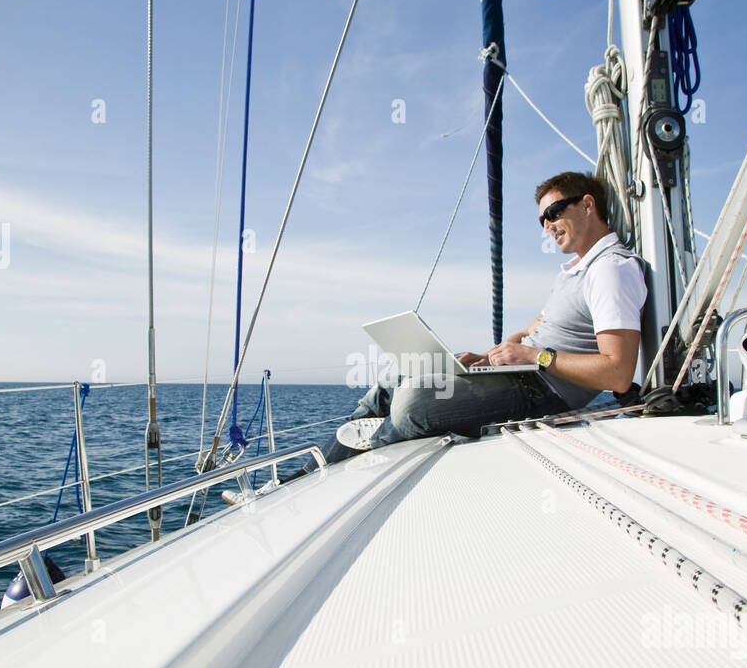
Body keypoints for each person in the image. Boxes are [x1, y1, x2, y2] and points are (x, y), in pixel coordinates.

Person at [225, 171, 646, 502]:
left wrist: (534, 356)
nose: (547, 226)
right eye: (541, 219)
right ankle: (300, 478)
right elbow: (537, 328)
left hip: (544, 391)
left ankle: (356, 463)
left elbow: (617, 373)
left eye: (553, 213)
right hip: (520, 373)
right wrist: (490, 355)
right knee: (395, 378)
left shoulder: (611, 270)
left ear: (587, 204)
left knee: (411, 403)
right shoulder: (576, 269)